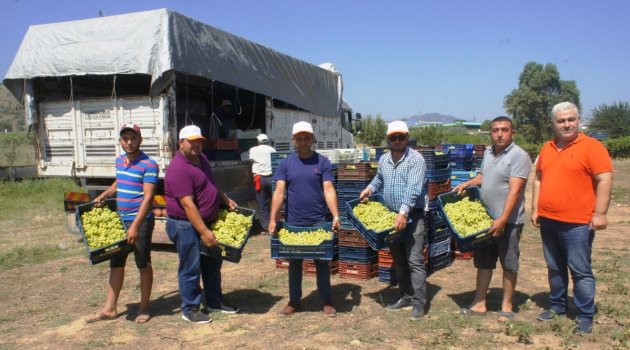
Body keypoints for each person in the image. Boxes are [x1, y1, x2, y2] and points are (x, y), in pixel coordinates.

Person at [531, 102, 613, 334]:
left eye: (570, 119)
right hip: (548, 219)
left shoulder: (592, 147)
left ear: (578, 120)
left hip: (578, 223)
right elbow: (538, 179)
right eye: (561, 121)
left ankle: (585, 314)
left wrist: (600, 213)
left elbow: (604, 179)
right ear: (553, 124)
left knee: (580, 270)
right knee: (554, 267)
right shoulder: (546, 148)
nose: (566, 124)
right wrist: (535, 208)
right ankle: (557, 306)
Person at [452, 116, 532, 322]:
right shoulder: (488, 152)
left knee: (509, 263)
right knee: (484, 262)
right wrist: (467, 184)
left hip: (509, 221)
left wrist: (503, 219)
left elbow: (515, 191)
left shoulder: (519, 156)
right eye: (495, 130)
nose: (499, 134)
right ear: (490, 132)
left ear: (511, 132)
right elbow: (484, 177)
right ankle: (480, 303)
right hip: (486, 220)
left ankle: (507, 306)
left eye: (504, 130)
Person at [165, 125, 240, 324]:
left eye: (199, 140)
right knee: (191, 266)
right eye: (192, 141)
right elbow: (187, 205)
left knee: (212, 264)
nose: (197, 144)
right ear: (181, 143)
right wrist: (204, 231)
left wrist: (225, 199)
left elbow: (210, 184)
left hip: (205, 221)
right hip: (185, 225)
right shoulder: (178, 168)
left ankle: (215, 301)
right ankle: (189, 308)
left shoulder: (202, 158)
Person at [86, 123, 159, 324]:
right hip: (120, 219)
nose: (129, 142)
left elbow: (148, 197)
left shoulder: (149, 164)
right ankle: (110, 308)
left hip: (140, 221)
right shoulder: (120, 161)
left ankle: (144, 308)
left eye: (133, 138)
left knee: (143, 263)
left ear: (140, 140)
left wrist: (135, 225)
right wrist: (104, 194)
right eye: (125, 138)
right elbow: (119, 181)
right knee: (116, 263)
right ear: (120, 141)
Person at [268, 121, 341, 317]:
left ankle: (326, 301)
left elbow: (328, 189)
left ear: (312, 139)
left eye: (306, 138)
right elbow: (279, 192)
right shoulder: (286, 163)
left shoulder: (322, 162)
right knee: (294, 263)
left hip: (318, 222)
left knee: (321, 262)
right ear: (293, 141)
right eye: (299, 138)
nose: (303, 141)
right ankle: (294, 301)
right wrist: (273, 218)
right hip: (294, 223)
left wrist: (335, 215)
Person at [358, 120, 427, 321]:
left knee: (414, 260)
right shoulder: (384, 159)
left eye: (401, 137)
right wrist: (369, 189)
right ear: (388, 140)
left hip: (412, 216)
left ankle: (419, 304)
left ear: (407, 137)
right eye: (393, 138)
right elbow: (379, 179)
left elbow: (414, 189)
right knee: (399, 260)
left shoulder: (416, 159)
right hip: (391, 217)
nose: (397, 141)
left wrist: (403, 213)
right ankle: (405, 296)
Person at [248, 133, 276, 234]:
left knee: (262, 202)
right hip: (272, 178)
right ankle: (276, 222)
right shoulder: (272, 149)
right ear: (267, 140)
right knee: (275, 201)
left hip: (259, 179)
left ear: (258, 141)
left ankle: (266, 226)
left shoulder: (253, 150)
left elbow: (250, 160)